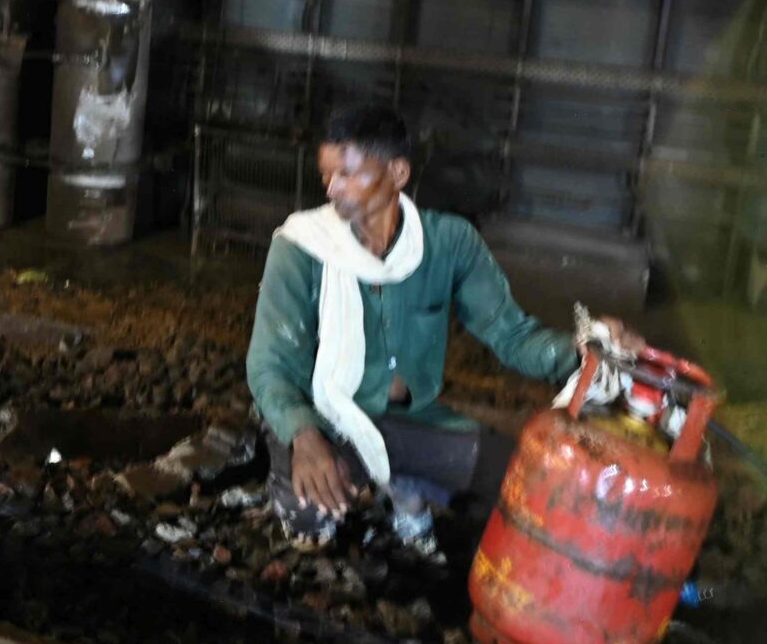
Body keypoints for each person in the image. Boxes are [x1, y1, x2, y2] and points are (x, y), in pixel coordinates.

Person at [247, 102, 645, 552]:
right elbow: (269, 365)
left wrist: (586, 351)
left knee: (524, 485)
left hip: (410, 421)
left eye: (348, 174)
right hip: (324, 422)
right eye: (327, 175)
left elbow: (512, 334)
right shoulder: (301, 247)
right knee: (311, 514)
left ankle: (404, 484)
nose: (331, 188)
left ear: (398, 174)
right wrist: (303, 435)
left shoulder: (449, 244)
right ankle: (367, 485)